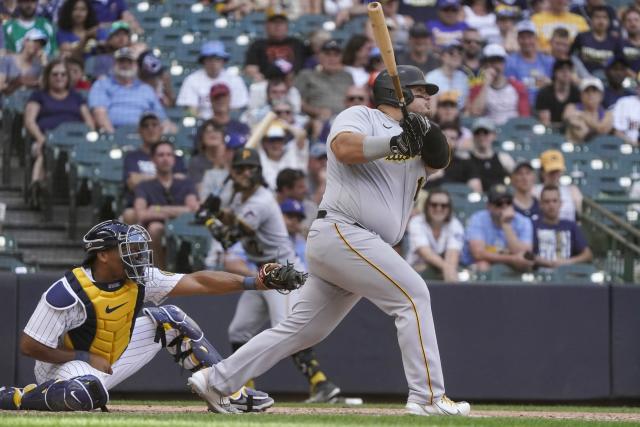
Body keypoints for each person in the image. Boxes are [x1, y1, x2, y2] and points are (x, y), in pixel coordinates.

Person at [188, 65, 471, 417]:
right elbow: (343, 148)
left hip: (358, 245)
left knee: (302, 330)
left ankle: (217, 380)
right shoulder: (362, 115)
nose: (430, 96)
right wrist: (392, 140)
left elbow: (442, 156)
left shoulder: (421, 134)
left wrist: (414, 131)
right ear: (399, 93)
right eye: (421, 89)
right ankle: (428, 397)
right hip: (345, 231)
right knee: (414, 296)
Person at [0, 219, 290, 413]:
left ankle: (226, 391)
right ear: (102, 255)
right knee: (85, 394)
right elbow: (29, 346)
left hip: (110, 359)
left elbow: (198, 281)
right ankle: (16, 396)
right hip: (65, 370)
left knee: (171, 318)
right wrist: (84, 358)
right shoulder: (67, 290)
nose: (137, 254)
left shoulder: (138, 277)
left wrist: (254, 282)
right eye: (127, 248)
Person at [211, 147, 341, 404]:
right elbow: (230, 222)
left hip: (282, 273)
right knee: (239, 330)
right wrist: (217, 212)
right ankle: (244, 387)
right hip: (262, 272)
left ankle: (321, 383)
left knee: (287, 329)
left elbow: (229, 238)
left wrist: (209, 219)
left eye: (250, 169)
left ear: (259, 173)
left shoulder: (260, 200)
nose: (245, 173)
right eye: (240, 169)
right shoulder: (239, 199)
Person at [23, 58, 95, 206]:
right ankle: (36, 189)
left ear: (68, 78)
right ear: (48, 77)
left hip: (76, 141)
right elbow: (29, 121)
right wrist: (40, 138)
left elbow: (89, 122)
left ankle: (83, 191)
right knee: (44, 150)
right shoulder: (39, 96)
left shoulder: (76, 97)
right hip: (47, 138)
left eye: (63, 74)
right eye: (55, 74)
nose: (59, 78)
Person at [133, 141, 199, 268]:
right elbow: (141, 214)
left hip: (184, 227)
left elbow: (192, 209)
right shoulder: (144, 186)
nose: (165, 159)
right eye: (161, 155)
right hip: (157, 229)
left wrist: (157, 209)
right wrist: (178, 211)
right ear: (153, 159)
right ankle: (161, 274)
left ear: (174, 159)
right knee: (155, 227)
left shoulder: (186, 183)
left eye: (169, 155)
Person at [121, 113, 187, 224]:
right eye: (145, 126)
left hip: (170, 204)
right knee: (129, 214)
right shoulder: (132, 157)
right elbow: (133, 182)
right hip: (141, 204)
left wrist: (145, 179)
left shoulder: (175, 157)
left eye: (154, 125)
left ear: (161, 129)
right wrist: (164, 178)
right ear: (140, 131)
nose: (150, 129)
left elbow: (181, 181)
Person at [88, 47, 171, 133]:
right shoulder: (102, 84)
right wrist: (113, 137)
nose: (125, 65)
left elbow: (162, 118)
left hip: (146, 134)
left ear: (136, 65)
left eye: (129, 62)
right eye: (121, 61)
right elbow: (100, 114)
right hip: (114, 133)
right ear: (114, 64)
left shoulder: (146, 89)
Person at [461, 184, 534, 271]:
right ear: (488, 206)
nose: (504, 206)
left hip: (511, 263)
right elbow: (478, 253)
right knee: (482, 265)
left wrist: (506, 225)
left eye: (508, 202)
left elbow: (524, 254)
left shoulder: (523, 221)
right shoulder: (478, 219)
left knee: (524, 265)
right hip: (486, 262)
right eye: (498, 203)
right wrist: (512, 259)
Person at [176, 40, 248, 120]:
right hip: (201, 122)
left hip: (228, 122)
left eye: (217, 59)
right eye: (210, 59)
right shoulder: (192, 79)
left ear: (223, 61)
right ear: (203, 61)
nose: (213, 64)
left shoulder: (235, 80)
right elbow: (190, 109)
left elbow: (237, 108)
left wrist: (221, 121)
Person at [406, 189, 464, 281]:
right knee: (424, 267)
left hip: (443, 272)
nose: (438, 208)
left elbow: (453, 254)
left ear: (449, 209)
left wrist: (449, 270)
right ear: (427, 206)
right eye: (434, 205)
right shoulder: (416, 222)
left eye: (444, 206)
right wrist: (448, 268)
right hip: (416, 272)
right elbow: (426, 253)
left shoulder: (455, 224)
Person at [468, 43, 529, 125]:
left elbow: (524, 117)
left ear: (504, 63)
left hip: (514, 131)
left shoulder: (518, 87)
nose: (494, 65)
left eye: (498, 61)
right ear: (484, 64)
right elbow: (475, 113)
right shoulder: (477, 89)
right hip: (488, 132)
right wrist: (486, 84)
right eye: (490, 61)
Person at [533, 185, 593, 268]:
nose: (551, 205)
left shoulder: (571, 226)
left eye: (555, 201)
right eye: (547, 201)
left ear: (561, 203)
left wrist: (567, 262)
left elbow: (587, 254)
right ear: (540, 204)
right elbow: (525, 253)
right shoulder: (533, 225)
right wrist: (543, 261)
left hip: (566, 275)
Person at [294, 40, 354, 121]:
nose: (332, 59)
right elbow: (296, 100)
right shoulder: (307, 75)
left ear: (341, 58)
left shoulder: (347, 76)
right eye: (327, 54)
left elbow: (355, 99)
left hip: (345, 119)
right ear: (319, 57)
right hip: (317, 119)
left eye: (336, 55)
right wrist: (316, 111)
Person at [243, 7, 308, 82]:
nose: (277, 25)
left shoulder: (297, 44)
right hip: (268, 83)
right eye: (273, 22)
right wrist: (258, 78)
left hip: (295, 83)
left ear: (287, 26)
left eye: (281, 22)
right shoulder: (257, 45)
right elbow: (251, 68)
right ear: (266, 26)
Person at [505, 20, 554, 106]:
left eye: (530, 37)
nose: (526, 41)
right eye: (523, 38)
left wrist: (550, 83)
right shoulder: (510, 62)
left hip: (545, 106)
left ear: (536, 38)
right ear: (518, 39)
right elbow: (510, 88)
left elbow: (555, 85)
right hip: (521, 106)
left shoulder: (548, 61)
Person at [570, 5, 622, 75]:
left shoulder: (615, 41)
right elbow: (572, 57)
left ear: (609, 21)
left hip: (608, 80)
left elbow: (619, 64)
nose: (601, 21)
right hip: (584, 78)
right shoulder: (581, 37)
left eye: (604, 17)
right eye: (597, 17)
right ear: (591, 20)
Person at [533, 150, 583, 221]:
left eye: (557, 171)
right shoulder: (534, 191)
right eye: (551, 172)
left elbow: (580, 215)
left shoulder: (571, 190)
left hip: (567, 229)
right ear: (542, 172)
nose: (555, 175)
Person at [468, 117, 515, 191]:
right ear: (473, 136)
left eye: (486, 133)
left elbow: (517, 176)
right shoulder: (466, 159)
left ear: (494, 135)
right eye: (477, 133)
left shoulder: (503, 158)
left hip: (500, 200)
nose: (482, 137)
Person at [563, 77, 612, 144]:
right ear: (581, 95)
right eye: (586, 91)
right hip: (574, 147)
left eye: (594, 91)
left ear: (601, 96)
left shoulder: (607, 114)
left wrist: (582, 116)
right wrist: (594, 125)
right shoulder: (572, 107)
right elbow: (567, 117)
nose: (590, 94)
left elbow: (602, 129)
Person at [535, 59, 580, 129]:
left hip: (571, 131)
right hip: (550, 133)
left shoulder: (576, 92)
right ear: (555, 72)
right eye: (562, 70)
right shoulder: (544, 93)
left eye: (569, 70)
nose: (566, 73)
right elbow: (545, 123)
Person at [0, 28, 46, 96]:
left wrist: (44, 64)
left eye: (40, 44)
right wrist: (17, 82)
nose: (37, 45)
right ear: (25, 41)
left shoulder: (39, 65)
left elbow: (44, 87)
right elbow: (0, 86)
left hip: (30, 103)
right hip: (9, 103)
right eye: (34, 41)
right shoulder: (8, 60)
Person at [425, 41, 469, 109]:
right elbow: (429, 109)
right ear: (442, 56)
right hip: (437, 117)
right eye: (451, 53)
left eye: (459, 53)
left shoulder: (464, 77)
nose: (456, 55)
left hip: (460, 117)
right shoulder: (431, 77)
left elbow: (466, 107)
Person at [188, 121, 227, 188]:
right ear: (202, 138)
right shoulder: (196, 162)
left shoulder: (231, 159)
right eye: (208, 132)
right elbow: (199, 190)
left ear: (223, 136)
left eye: (216, 130)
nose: (212, 134)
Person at [280, 198, 308, 271]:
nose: (294, 221)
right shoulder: (271, 237)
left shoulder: (301, 241)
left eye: (299, 219)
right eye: (290, 216)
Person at [612, 78, 640, 145]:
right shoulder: (624, 102)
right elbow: (617, 131)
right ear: (637, 88)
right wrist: (634, 144)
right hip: (626, 147)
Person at [621, 8, 640, 73]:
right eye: (629, 20)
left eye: (636, 20)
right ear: (624, 24)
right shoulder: (618, 44)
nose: (633, 23)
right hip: (627, 80)